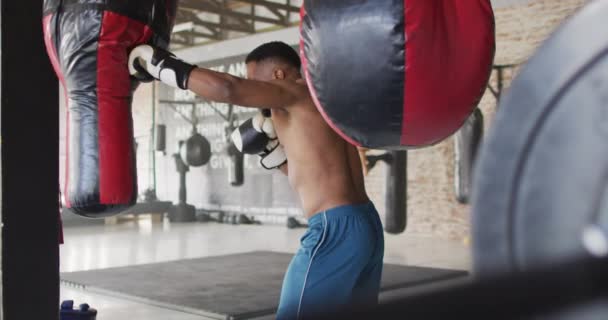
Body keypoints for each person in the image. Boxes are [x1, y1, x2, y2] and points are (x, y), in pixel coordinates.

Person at [129, 41, 384, 319]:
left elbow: (229, 88)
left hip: (334, 229)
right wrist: (273, 156)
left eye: (253, 80)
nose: (251, 87)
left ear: (278, 75)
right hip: (365, 222)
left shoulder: (291, 92)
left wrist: (161, 66)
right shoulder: (322, 102)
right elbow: (315, 170)